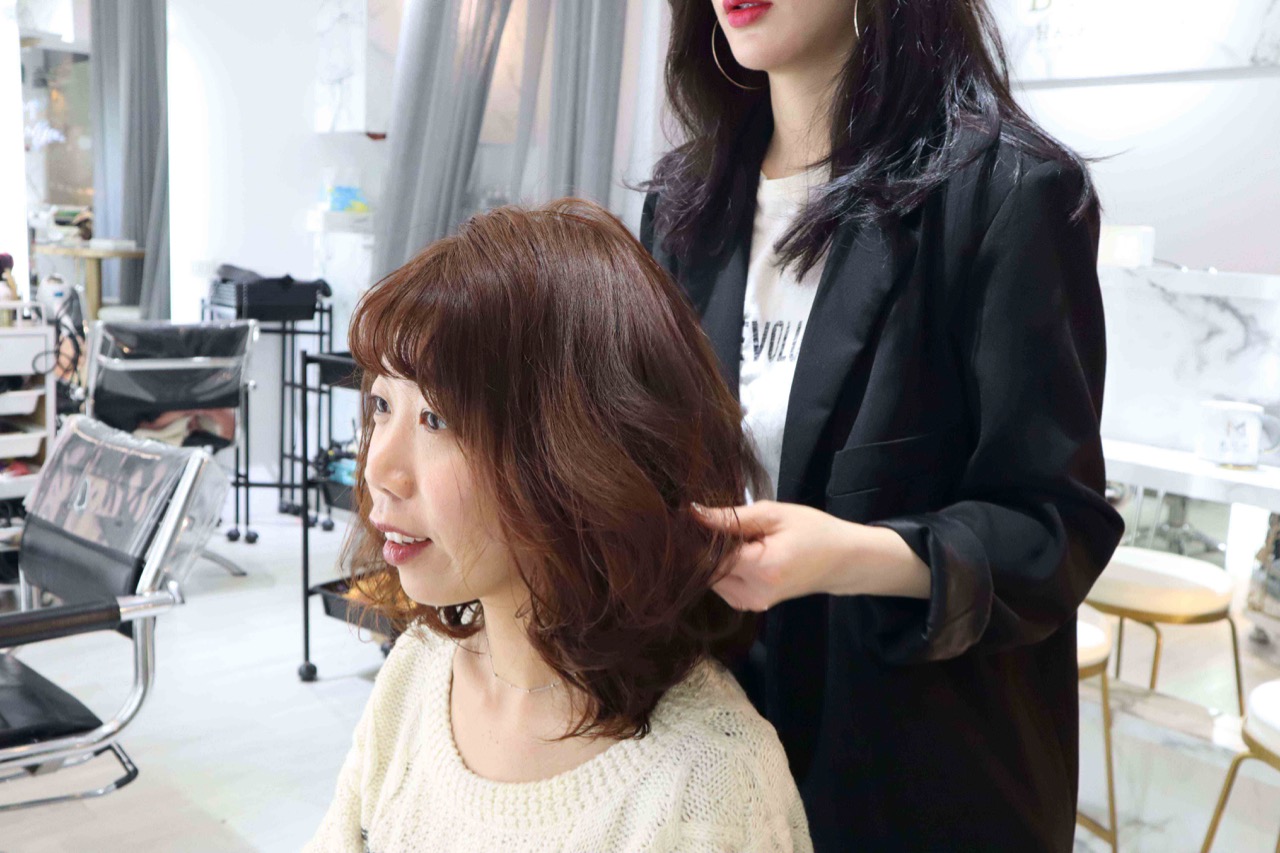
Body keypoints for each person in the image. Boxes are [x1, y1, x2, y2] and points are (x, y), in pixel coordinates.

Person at [639, 1, 1126, 849]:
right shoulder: (686, 203)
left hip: (916, 777)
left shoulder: (1009, 192)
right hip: (715, 765)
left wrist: (852, 556)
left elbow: (1055, 530)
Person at [306, 199, 812, 852]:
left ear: (575, 453)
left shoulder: (707, 784)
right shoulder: (419, 670)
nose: (379, 467)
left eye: (436, 418)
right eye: (381, 405)